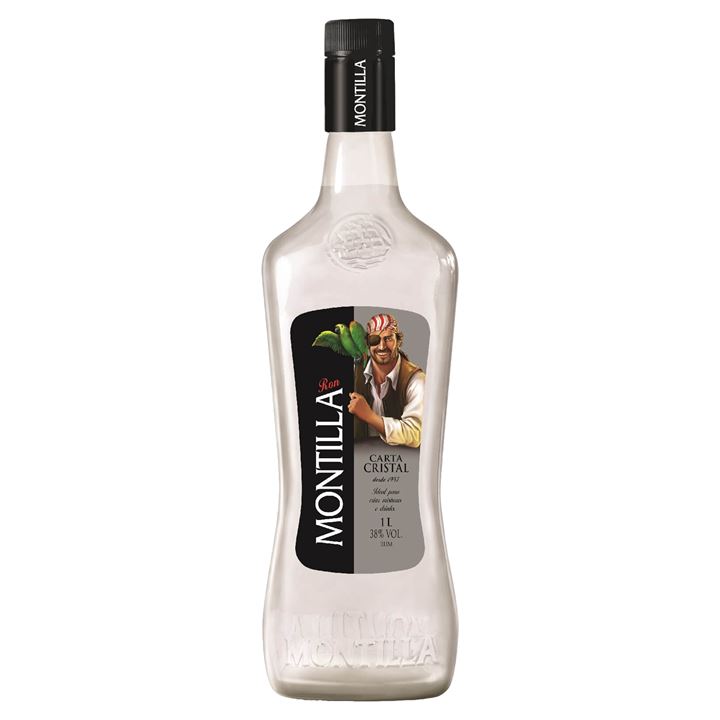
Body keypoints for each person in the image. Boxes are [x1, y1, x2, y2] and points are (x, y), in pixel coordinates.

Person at [348, 313, 425, 448]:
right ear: (367, 344)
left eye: (388, 338)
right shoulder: (355, 372)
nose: (382, 346)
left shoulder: (415, 379)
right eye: (375, 340)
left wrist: (369, 416)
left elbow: (415, 434)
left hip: (403, 458)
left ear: (398, 341)